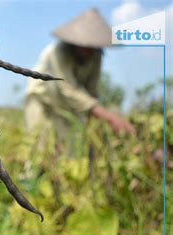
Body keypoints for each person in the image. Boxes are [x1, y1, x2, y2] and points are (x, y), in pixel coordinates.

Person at [25, 8, 135, 151]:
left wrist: (97, 120)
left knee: (66, 150)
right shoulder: (57, 52)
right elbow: (67, 89)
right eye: (85, 47)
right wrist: (109, 117)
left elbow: (91, 91)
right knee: (38, 147)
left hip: (66, 107)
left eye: (92, 47)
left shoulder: (96, 57)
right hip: (42, 99)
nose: (88, 51)